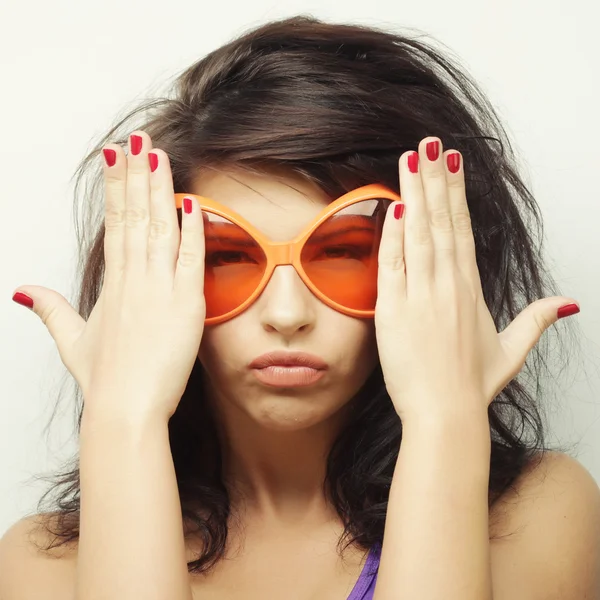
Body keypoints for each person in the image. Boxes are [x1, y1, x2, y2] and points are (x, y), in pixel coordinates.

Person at [1, 14, 599, 600]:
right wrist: (122, 418)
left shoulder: (535, 519)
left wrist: (445, 422)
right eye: (227, 257)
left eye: (343, 252)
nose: (287, 315)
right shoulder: (42, 568)